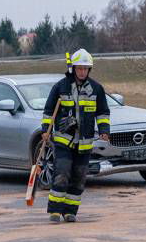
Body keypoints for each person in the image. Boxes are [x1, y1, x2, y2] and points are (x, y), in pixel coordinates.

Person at [41, 49, 110, 222]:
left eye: (85, 69)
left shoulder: (96, 89)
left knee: (79, 177)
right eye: (79, 68)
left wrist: (104, 131)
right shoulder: (61, 87)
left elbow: (102, 113)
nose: (82, 72)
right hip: (64, 141)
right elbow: (49, 112)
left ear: (89, 70)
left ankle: (70, 211)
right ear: (73, 68)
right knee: (62, 173)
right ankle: (55, 211)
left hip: (85, 143)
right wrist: (45, 130)